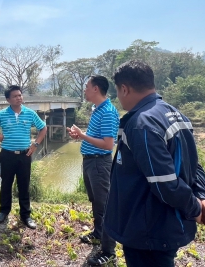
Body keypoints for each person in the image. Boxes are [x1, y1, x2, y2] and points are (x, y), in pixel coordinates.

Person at [103, 60, 205, 267]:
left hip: (148, 230)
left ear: (124, 89)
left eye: (117, 91)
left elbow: (165, 183)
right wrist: (201, 197)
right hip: (163, 226)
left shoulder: (141, 124)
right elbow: (194, 166)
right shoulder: (177, 115)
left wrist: (197, 209)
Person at [66, 75, 119, 266]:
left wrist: (82, 135)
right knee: (96, 202)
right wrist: (80, 135)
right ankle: (98, 234)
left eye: (87, 87)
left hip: (99, 163)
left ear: (96, 89)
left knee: (104, 205)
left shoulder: (108, 111)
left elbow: (107, 145)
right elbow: (96, 137)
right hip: (90, 162)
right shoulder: (97, 109)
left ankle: (109, 251)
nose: (85, 90)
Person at [0, 85, 47, 229]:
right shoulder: (2, 114)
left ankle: (26, 215)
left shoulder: (30, 113)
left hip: (25, 155)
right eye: (15, 96)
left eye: (20, 95)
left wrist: (35, 144)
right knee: (6, 184)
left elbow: (43, 128)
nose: (19, 98)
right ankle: (4, 211)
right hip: (7, 155)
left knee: (24, 185)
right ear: (8, 99)